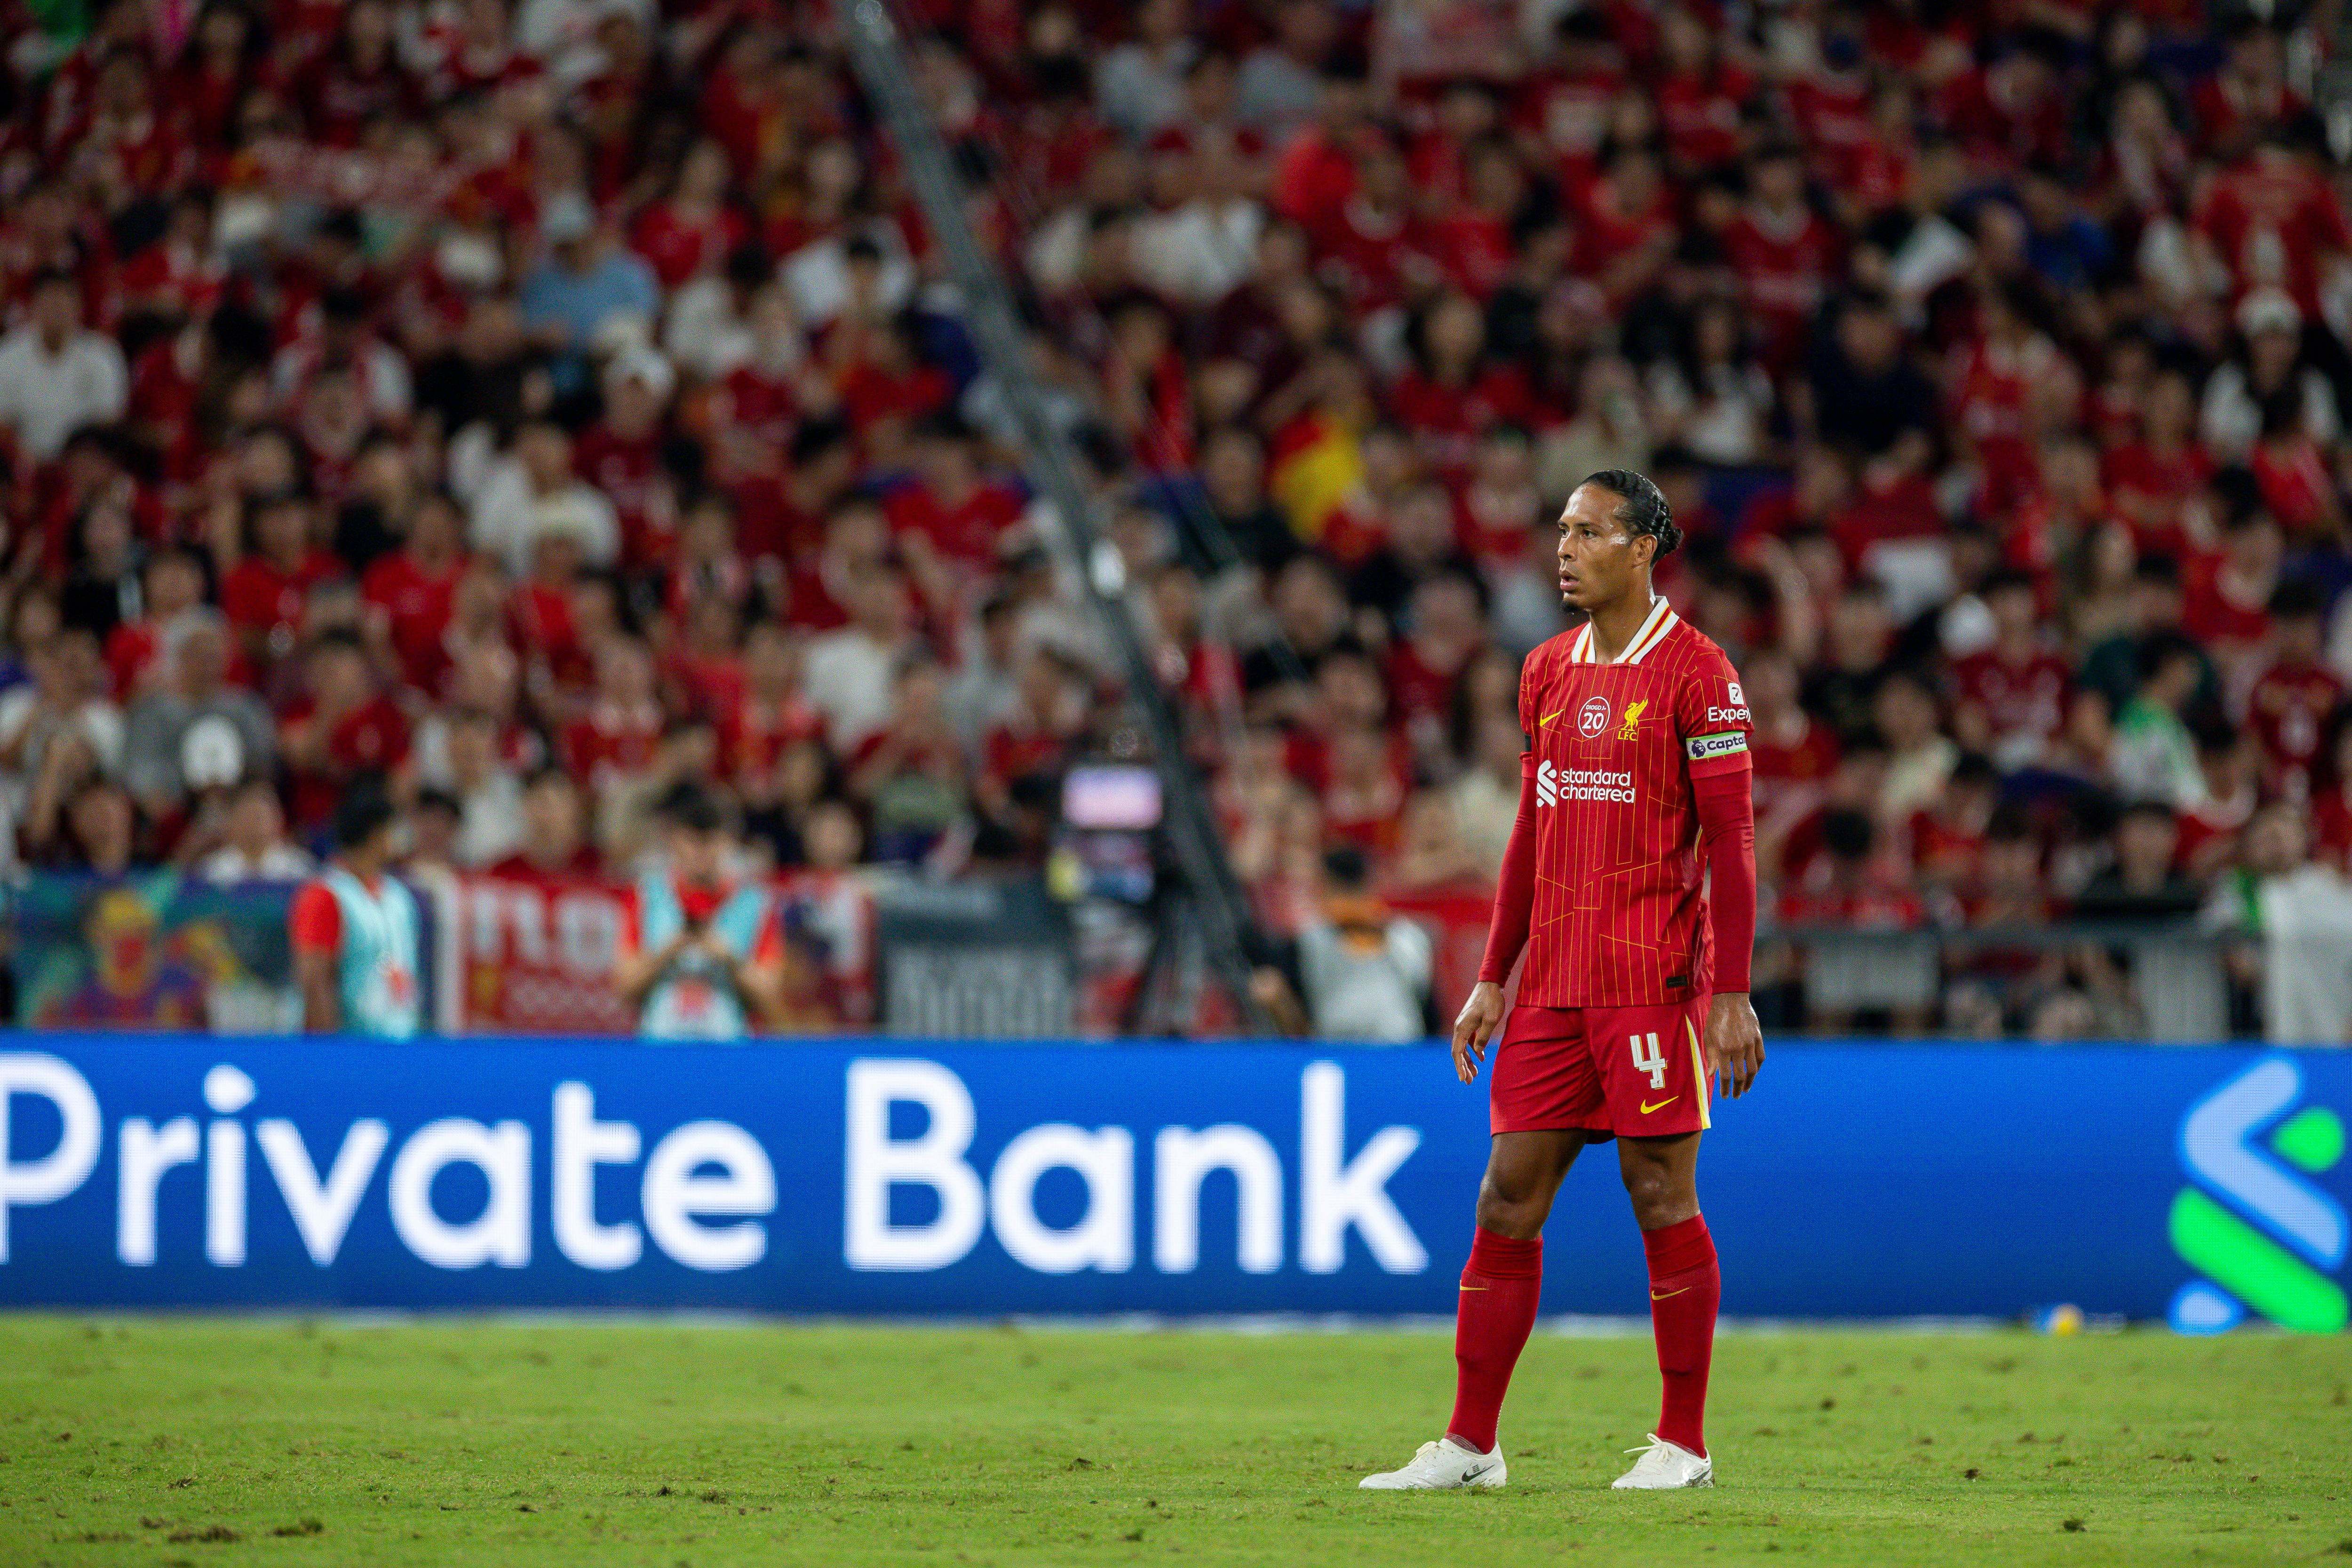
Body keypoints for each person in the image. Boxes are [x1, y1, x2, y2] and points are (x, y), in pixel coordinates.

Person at [1360, 470, 1763, 1493]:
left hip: (1650, 979)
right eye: (1561, 531)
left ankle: (1684, 1441)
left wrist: (1730, 993)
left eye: (1589, 532)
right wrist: (1494, 975)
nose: (1565, 548)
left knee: (1658, 1188)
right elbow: (1533, 836)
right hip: (1554, 986)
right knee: (1505, 1197)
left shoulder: (1700, 675)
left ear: (1643, 548)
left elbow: (1731, 842)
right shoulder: (1544, 671)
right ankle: (1470, 1444)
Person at [611, 785, 779, 1039]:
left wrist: (730, 960)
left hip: (728, 1050)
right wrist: (669, 952)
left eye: (710, 840)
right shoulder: (647, 897)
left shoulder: (753, 904)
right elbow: (624, 987)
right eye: (693, 841)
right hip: (660, 1047)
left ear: (726, 842)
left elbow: (770, 996)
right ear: (675, 841)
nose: (702, 852)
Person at [289, 780, 422, 1037]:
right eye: (395, 830)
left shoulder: (400, 898)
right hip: (353, 1048)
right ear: (377, 834)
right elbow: (315, 983)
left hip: (400, 1041)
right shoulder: (324, 897)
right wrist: (332, 1056)